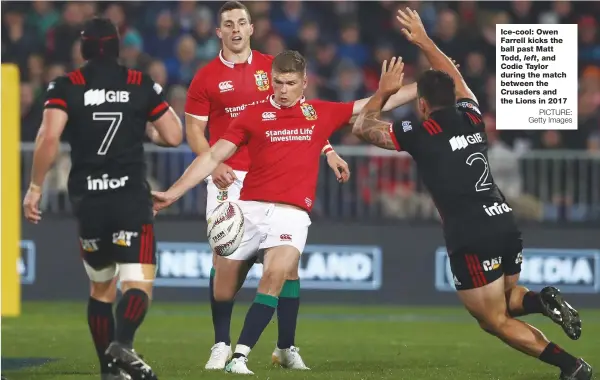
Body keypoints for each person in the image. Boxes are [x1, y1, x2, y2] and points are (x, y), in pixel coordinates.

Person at [351, 8, 592, 380]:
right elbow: (457, 77)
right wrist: (425, 40)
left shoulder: (421, 132)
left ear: (423, 104)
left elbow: (362, 129)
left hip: (470, 235)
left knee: (493, 320)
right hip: (503, 221)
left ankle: (571, 366)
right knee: (509, 302)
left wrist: (383, 93)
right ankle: (541, 301)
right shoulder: (472, 115)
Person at [152, 49, 417, 374]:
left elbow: (374, 105)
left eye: (290, 83)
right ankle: (230, 343)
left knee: (276, 274)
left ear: (304, 83)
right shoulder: (251, 116)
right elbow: (210, 157)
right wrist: (171, 194)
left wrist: (420, 85)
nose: (282, 89)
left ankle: (241, 356)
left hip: (290, 214)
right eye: (277, 82)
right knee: (223, 288)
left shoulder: (320, 113)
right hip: (248, 209)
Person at [22, 18, 184, 380]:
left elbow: (48, 138)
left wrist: (34, 188)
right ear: (117, 47)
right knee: (138, 283)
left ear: (83, 49)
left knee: (100, 287)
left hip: (89, 201)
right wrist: (143, 128)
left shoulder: (66, 86)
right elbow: (174, 136)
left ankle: (108, 370)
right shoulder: (139, 83)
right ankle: (122, 346)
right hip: (129, 198)